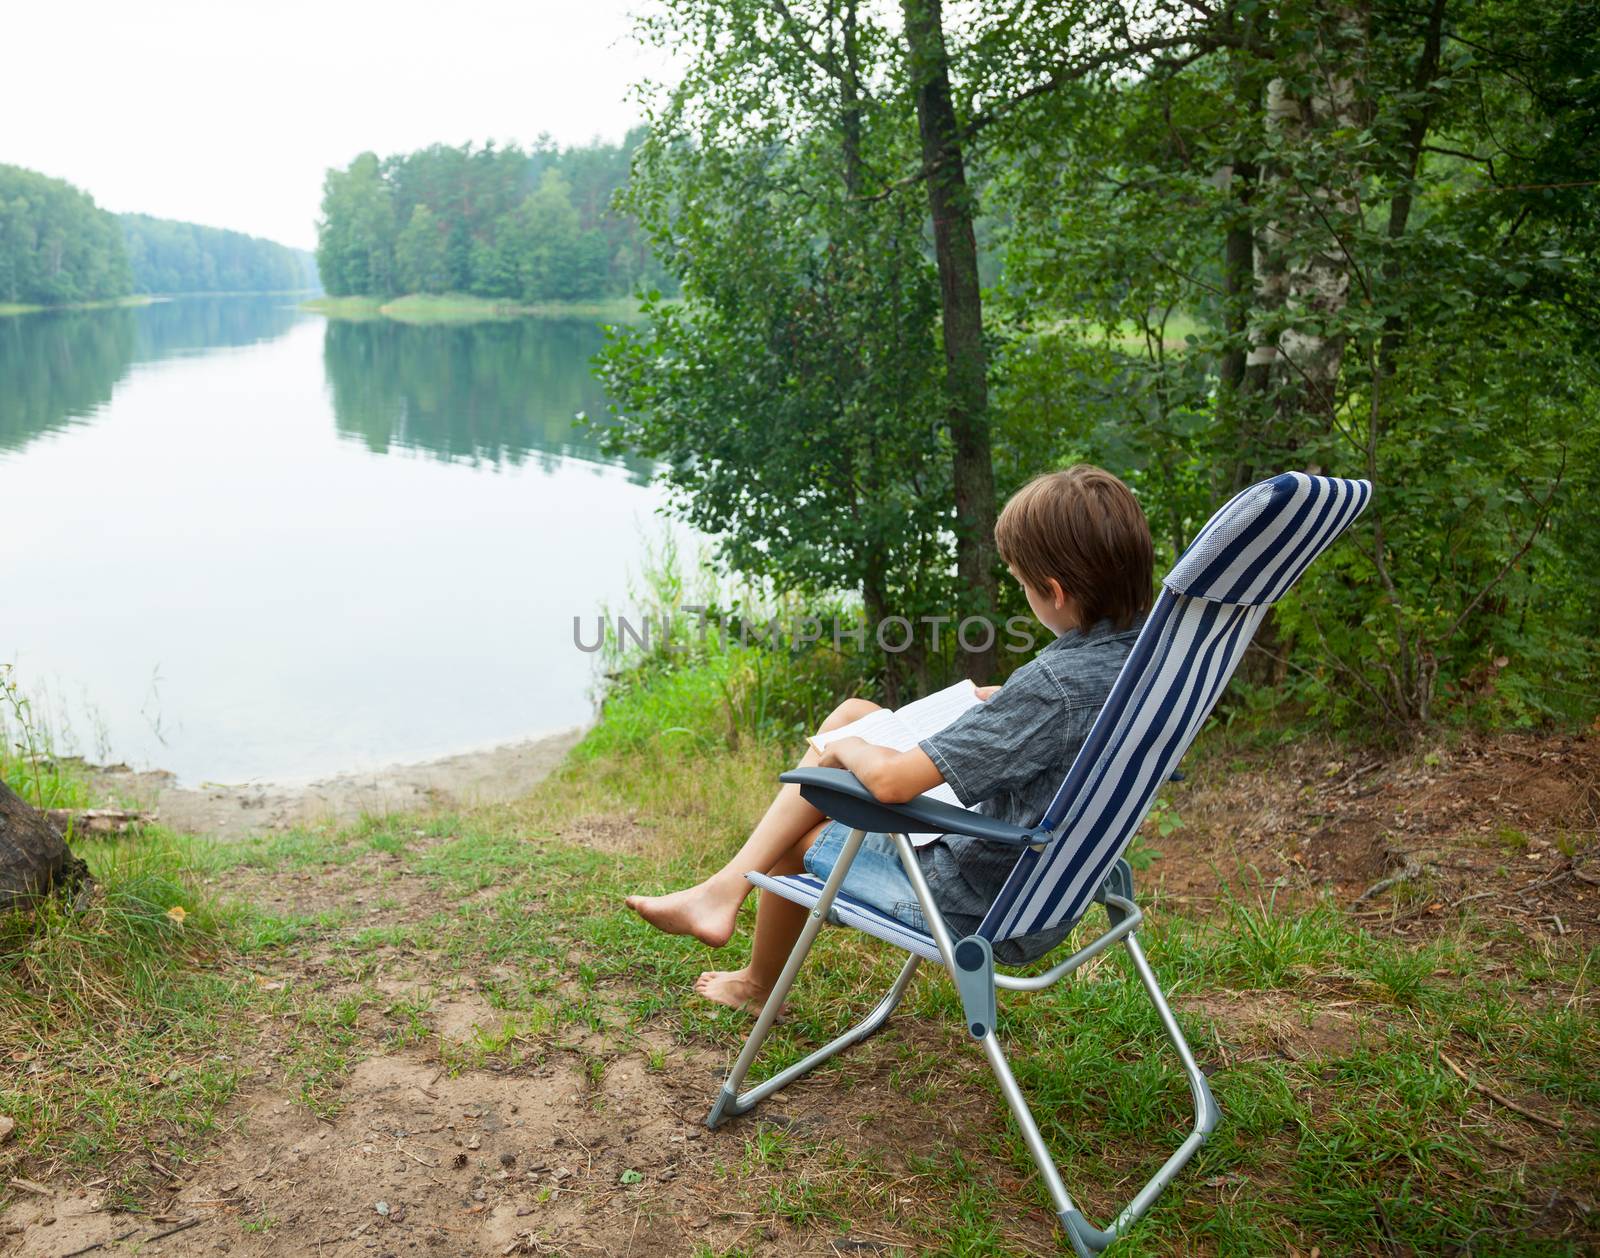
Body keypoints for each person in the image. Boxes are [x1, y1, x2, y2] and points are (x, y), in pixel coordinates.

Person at [625, 465, 1156, 1014]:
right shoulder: (1150, 661)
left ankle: (752, 972)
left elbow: (888, 783)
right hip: (1051, 884)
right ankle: (720, 897)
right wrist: (1009, 706)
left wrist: (845, 749)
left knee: (810, 799)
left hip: (978, 905)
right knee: (854, 711)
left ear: (1054, 592)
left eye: (1021, 584)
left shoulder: (1052, 690)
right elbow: (1069, 727)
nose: (1021, 593)